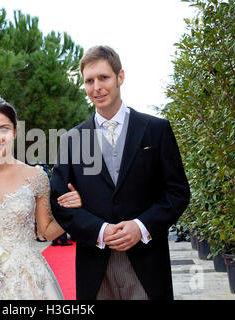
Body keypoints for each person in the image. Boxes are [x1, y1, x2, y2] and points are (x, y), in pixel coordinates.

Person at [50, 46, 190, 300]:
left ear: (120, 77)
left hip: (147, 262)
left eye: (103, 78)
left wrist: (141, 226)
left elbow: (177, 192)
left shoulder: (156, 130)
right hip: (95, 266)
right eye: (89, 81)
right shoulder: (72, 139)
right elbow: (59, 203)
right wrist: (100, 230)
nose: (96, 87)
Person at [0, 93, 82, 300]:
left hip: (28, 280)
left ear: (15, 131)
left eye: (3, 129)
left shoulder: (36, 177)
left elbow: (46, 232)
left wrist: (74, 211)